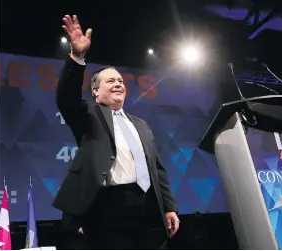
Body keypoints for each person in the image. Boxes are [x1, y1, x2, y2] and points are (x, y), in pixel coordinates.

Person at [53, 14, 179, 250]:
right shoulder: (89, 115)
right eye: (110, 81)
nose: (118, 84)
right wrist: (77, 57)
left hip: (148, 208)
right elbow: (66, 98)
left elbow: (157, 168)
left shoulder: (141, 124)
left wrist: (169, 207)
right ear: (95, 92)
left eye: (120, 80)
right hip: (108, 209)